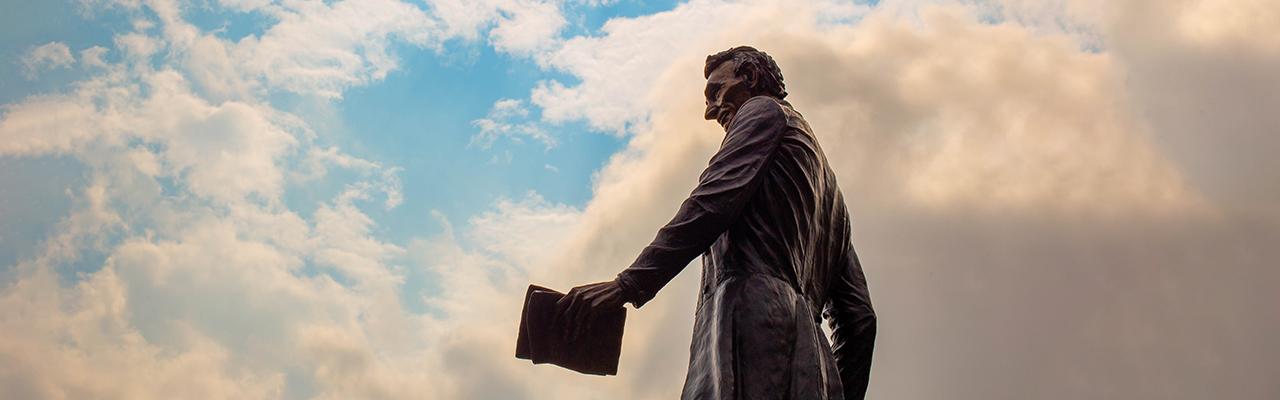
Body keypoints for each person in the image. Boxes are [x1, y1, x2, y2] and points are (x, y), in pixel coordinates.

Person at [557, 46, 876, 400]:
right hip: (810, 365)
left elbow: (712, 201)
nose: (710, 110)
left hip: (752, 325)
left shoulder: (763, 111)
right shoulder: (834, 199)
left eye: (716, 91)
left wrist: (629, 284)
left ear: (750, 78)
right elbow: (860, 320)